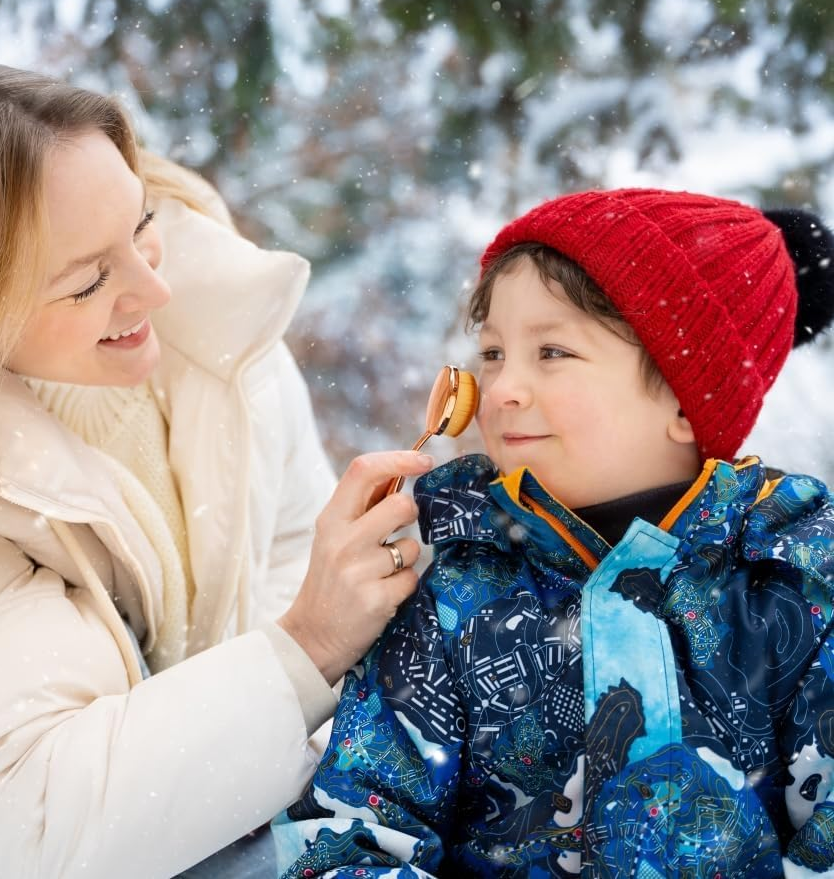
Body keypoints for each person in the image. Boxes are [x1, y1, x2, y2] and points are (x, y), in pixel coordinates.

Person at [0, 58, 436, 879]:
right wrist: (307, 646)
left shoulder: (215, 325)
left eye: (141, 221)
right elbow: (33, 826)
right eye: (90, 280)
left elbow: (288, 542)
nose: (156, 287)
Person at [273, 188, 834, 877]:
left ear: (687, 401)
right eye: (492, 352)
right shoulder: (455, 594)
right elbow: (353, 830)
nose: (503, 386)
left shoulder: (787, 586)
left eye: (552, 352)